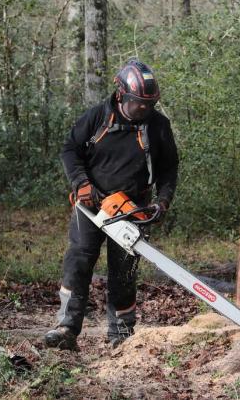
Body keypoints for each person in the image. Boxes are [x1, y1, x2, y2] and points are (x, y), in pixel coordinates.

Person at [44, 59, 179, 350]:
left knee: (123, 271)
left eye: (148, 104)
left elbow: (169, 168)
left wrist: (163, 201)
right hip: (91, 206)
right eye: (138, 104)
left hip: (132, 207)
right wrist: (81, 182)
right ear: (121, 95)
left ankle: (121, 335)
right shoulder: (97, 118)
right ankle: (66, 327)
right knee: (78, 262)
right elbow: (70, 150)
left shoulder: (158, 126)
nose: (143, 109)